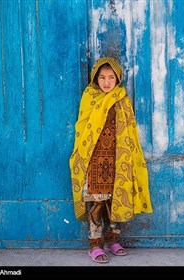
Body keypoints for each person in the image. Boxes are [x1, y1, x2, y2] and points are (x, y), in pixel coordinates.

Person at [69, 57, 153, 264]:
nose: (107, 82)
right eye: (102, 77)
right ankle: (95, 244)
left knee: (115, 199)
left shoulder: (122, 99)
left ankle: (113, 240)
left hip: (118, 158)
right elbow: (82, 128)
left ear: (118, 79)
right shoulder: (89, 97)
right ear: (95, 78)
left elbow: (129, 130)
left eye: (111, 77)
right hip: (95, 159)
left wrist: (129, 156)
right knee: (96, 202)